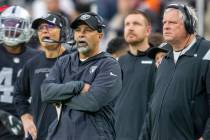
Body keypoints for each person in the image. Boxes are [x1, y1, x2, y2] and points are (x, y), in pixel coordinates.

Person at [41, 12, 122, 140]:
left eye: (88, 30)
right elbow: (46, 93)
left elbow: (92, 102)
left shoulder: (109, 65)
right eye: (78, 30)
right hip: (60, 135)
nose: (81, 34)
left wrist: (59, 98)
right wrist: (77, 86)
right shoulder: (64, 61)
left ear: (100, 35)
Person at [140, 3, 210, 140]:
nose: (165, 26)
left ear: (189, 25)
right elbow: (154, 105)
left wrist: (206, 137)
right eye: (164, 22)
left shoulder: (207, 52)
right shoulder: (164, 55)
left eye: (172, 22)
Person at [13, 13, 70, 140]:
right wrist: (26, 117)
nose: (44, 30)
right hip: (40, 135)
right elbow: (19, 94)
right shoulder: (32, 64)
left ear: (63, 32)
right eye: (40, 28)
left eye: (50, 26)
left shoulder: (75, 62)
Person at [114, 10, 156, 140]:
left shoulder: (158, 60)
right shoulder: (118, 62)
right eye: (127, 24)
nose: (130, 28)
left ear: (148, 30)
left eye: (136, 24)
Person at [0, 6, 38, 140]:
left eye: (16, 26)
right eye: (7, 25)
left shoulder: (37, 57)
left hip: (27, 119)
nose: (11, 30)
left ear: (26, 28)